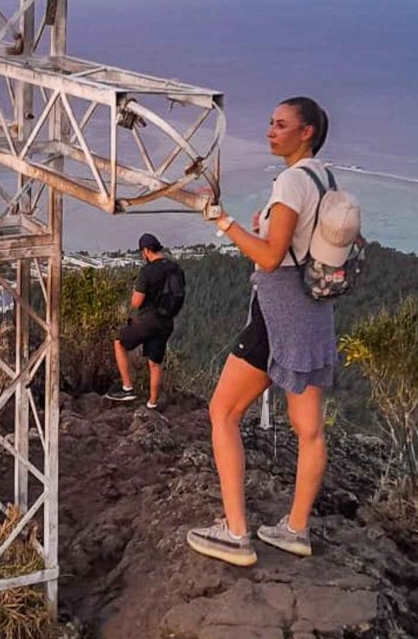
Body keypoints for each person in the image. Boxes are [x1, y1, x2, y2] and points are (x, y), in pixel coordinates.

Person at [187, 96, 357, 566]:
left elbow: (269, 256)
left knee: (222, 412)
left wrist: (223, 221)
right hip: (314, 313)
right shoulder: (325, 177)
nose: (270, 131)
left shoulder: (290, 182)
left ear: (306, 133)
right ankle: (296, 529)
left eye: (281, 125)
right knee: (310, 430)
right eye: (270, 123)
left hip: (277, 313)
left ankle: (236, 533)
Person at [105, 233, 184, 410]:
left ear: (146, 251)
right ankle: (152, 403)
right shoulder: (176, 269)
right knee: (155, 363)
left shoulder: (147, 271)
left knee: (119, 342)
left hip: (148, 320)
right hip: (167, 321)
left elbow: (136, 302)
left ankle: (127, 388)